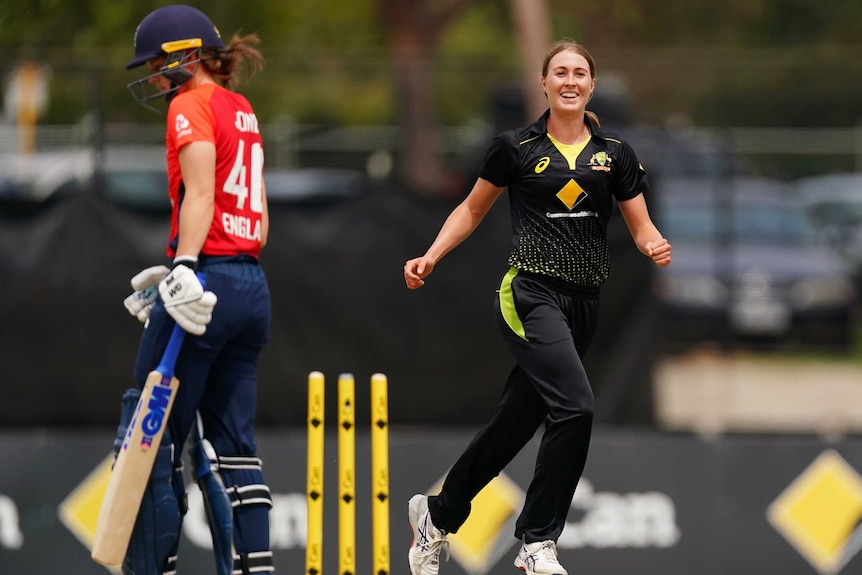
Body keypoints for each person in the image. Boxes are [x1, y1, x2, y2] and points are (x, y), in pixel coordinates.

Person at [403, 39, 671, 575]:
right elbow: (471, 209)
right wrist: (432, 254)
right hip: (530, 294)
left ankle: (436, 513)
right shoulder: (516, 148)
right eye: (559, 73)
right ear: (544, 84)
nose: (570, 81)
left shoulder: (614, 154)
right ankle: (537, 542)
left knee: (518, 421)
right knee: (576, 406)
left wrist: (654, 245)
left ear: (591, 86)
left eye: (579, 73)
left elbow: (641, 227)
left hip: (584, 303)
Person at [116, 5, 273, 575]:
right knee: (234, 446)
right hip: (250, 286)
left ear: (186, 56)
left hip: (204, 282)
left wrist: (184, 265)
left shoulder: (190, 104)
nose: (154, 77)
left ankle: (153, 567)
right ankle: (256, 567)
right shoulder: (243, 107)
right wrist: (190, 269)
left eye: (158, 63)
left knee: (147, 437)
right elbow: (257, 221)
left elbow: (201, 193)